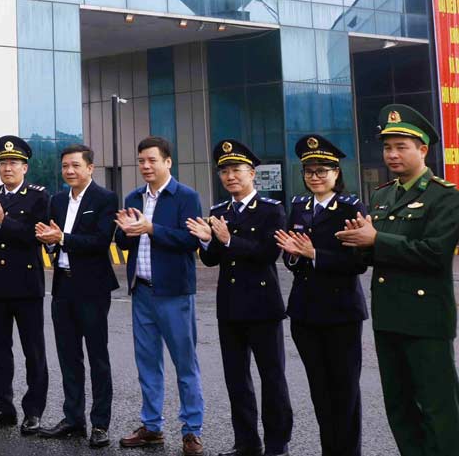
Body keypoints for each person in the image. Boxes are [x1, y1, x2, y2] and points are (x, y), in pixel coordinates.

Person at [336, 104, 459, 456]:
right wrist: (356, 242)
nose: (392, 154)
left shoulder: (445, 196)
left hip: (425, 319)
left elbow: (435, 253)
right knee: (400, 407)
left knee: (439, 408)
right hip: (389, 316)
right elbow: (375, 255)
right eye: (387, 147)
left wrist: (376, 240)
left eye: (401, 147)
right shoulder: (382, 195)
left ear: (423, 150)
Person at [186, 140, 291, 456]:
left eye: (236, 170)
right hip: (230, 308)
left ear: (252, 174)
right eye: (225, 171)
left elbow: (267, 254)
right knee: (237, 381)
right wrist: (207, 242)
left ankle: (276, 444)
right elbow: (213, 260)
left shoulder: (272, 210)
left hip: (262, 306)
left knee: (272, 378)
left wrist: (229, 239)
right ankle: (246, 442)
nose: (230, 176)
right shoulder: (219, 211)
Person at [274, 134, 367, 456]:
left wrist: (315, 254)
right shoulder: (299, 207)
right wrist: (296, 255)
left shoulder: (350, 208)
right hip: (305, 312)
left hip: (341, 312)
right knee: (320, 393)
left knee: (345, 392)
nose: (315, 177)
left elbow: (359, 263)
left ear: (337, 173)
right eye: (309, 171)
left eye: (323, 170)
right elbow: (289, 255)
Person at [114, 135, 204, 456]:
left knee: (185, 364)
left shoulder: (186, 197)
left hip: (174, 294)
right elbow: (124, 242)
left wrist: (152, 229)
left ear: (168, 162)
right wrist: (125, 231)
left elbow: (190, 241)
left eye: (152, 160)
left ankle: (191, 430)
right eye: (141, 161)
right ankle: (151, 426)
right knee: (147, 364)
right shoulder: (133, 197)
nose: (146, 166)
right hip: (142, 292)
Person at [35, 144, 118, 448]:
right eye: (65, 166)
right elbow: (50, 239)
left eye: (75, 166)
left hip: (92, 288)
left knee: (97, 357)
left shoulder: (104, 198)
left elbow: (99, 241)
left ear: (90, 168)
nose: (69, 171)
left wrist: (62, 238)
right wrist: (49, 242)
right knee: (68, 356)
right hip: (62, 286)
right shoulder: (56, 200)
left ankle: (100, 424)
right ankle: (73, 419)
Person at [0, 135, 50, 436]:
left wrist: (4, 222)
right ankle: (3, 407)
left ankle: (34, 412)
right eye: (3, 163)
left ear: (25, 167)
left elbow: (36, 235)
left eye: (13, 163)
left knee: (33, 351)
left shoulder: (38, 196)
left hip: (26, 284)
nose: (7, 168)